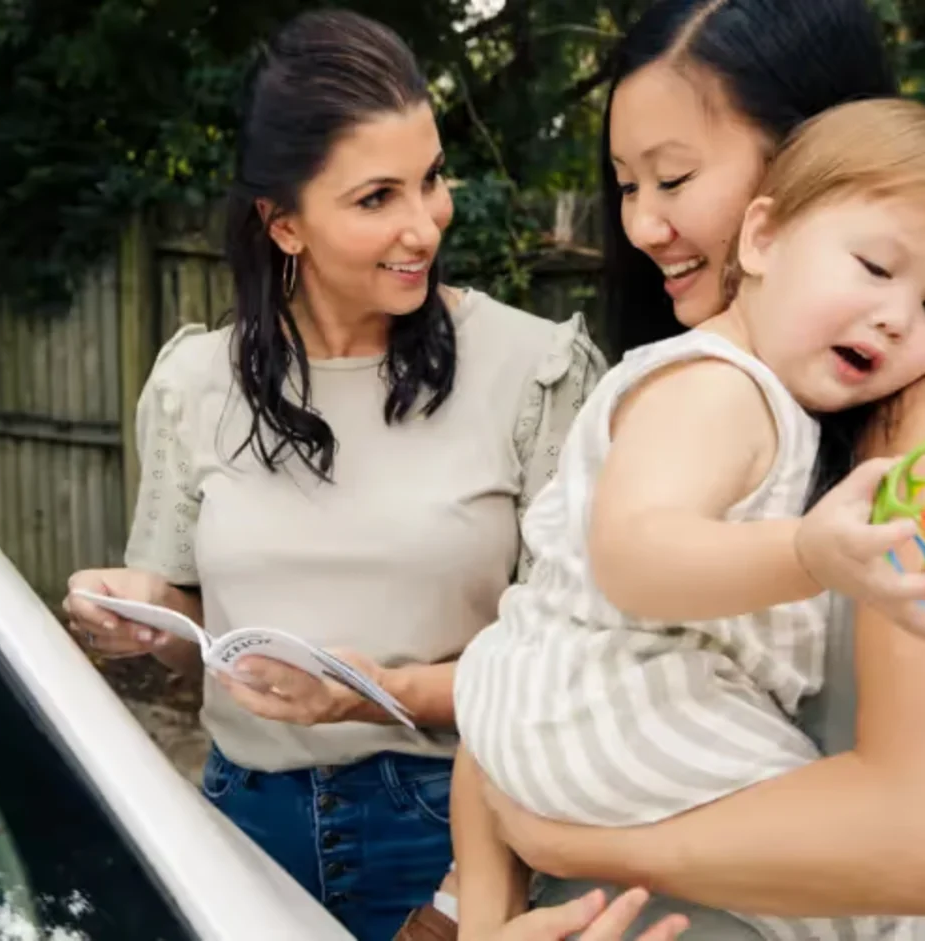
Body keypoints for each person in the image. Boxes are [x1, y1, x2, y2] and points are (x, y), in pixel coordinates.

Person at [414, 1, 925, 938]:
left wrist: (573, 843)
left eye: (674, 177)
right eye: (627, 184)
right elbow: (551, 655)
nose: (642, 225)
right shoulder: (731, 390)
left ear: (813, 161)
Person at [60, 10, 613, 940]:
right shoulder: (195, 383)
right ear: (283, 224)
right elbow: (193, 628)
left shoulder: (537, 371)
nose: (424, 225)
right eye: (376, 198)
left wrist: (457, 902)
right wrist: (135, 617)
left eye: (431, 180)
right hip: (239, 821)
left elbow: (576, 663)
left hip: (455, 826)